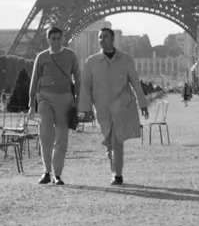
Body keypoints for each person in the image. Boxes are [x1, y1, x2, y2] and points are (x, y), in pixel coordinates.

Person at [79, 26, 148, 186]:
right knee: (109, 141)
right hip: (101, 108)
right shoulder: (91, 61)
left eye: (105, 36)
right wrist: (85, 109)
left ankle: (117, 174)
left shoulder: (126, 59)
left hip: (121, 105)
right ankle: (114, 170)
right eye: (100, 37)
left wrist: (142, 103)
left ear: (112, 39)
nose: (102, 39)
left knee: (117, 139)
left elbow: (135, 82)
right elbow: (85, 86)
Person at [28, 26, 80, 186]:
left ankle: (57, 174)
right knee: (45, 135)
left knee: (62, 138)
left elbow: (78, 77)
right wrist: (31, 104)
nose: (56, 41)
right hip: (44, 99)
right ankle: (46, 171)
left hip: (65, 99)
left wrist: (77, 101)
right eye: (53, 38)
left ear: (62, 39)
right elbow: (34, 80)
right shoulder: (41, 57)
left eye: (59, 38)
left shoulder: (70, 55)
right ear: (48, 39)